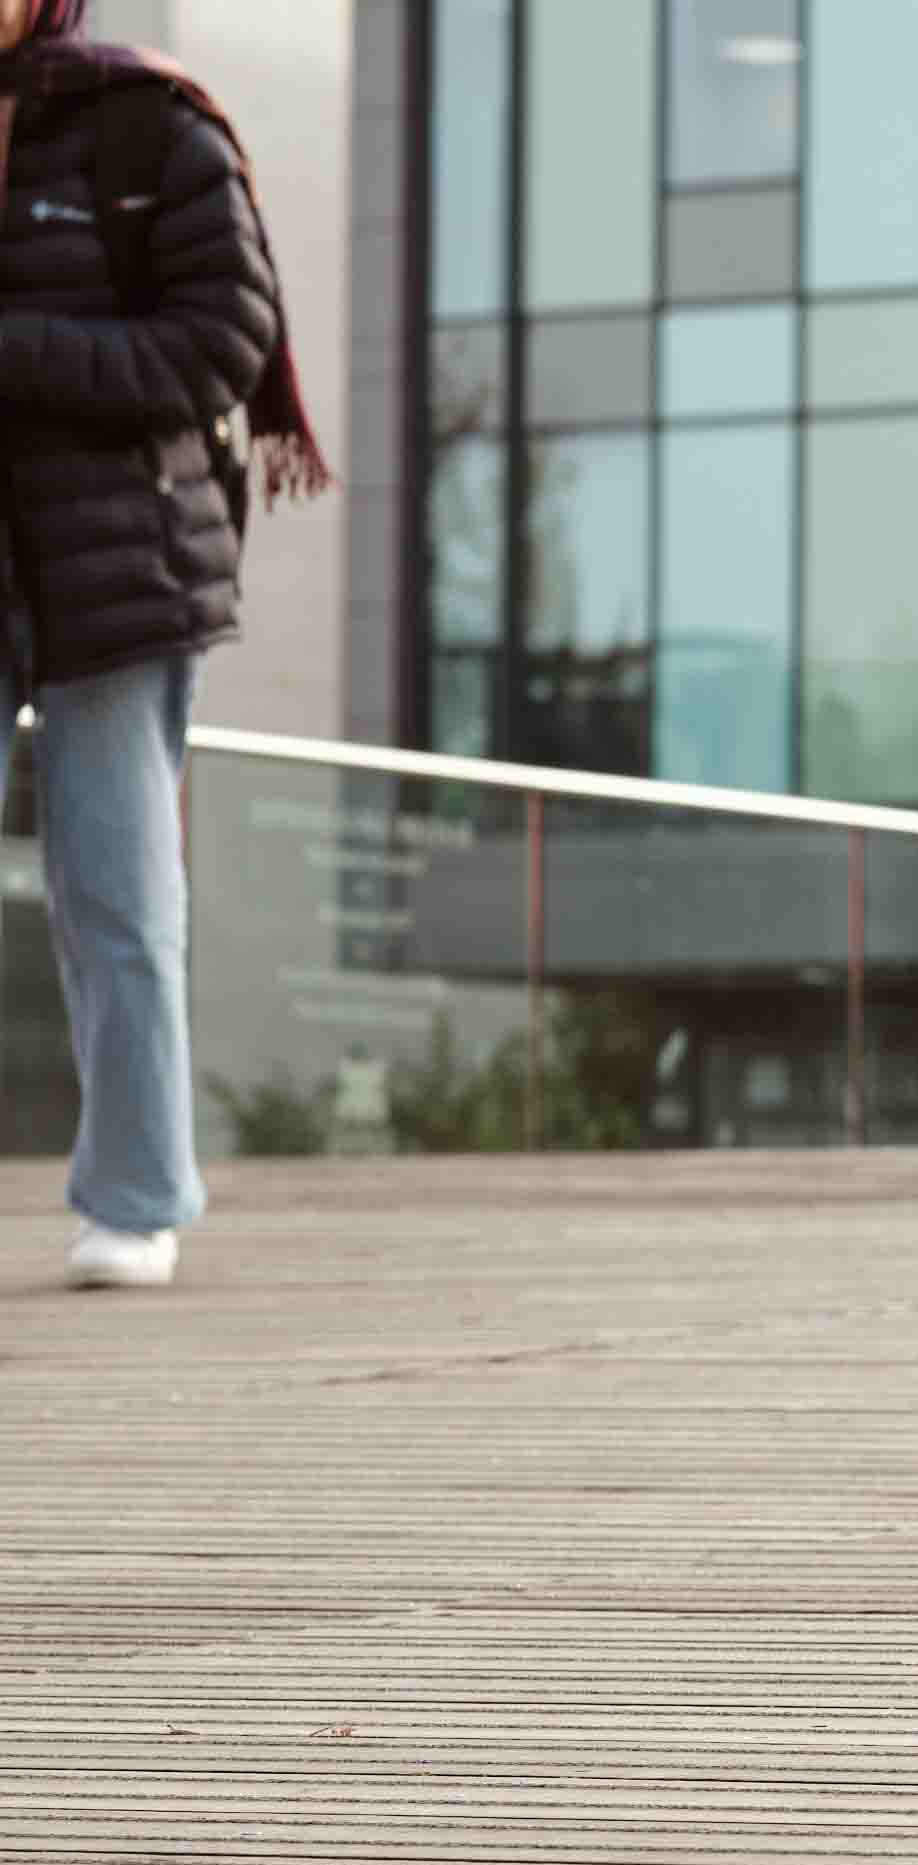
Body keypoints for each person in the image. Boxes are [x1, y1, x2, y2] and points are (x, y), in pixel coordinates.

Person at [0, 0, 316, 1290]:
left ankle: (133, 1199)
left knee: (119, 890)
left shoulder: (148, 123)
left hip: (114, 557)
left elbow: (218, 341)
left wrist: (12, 354)